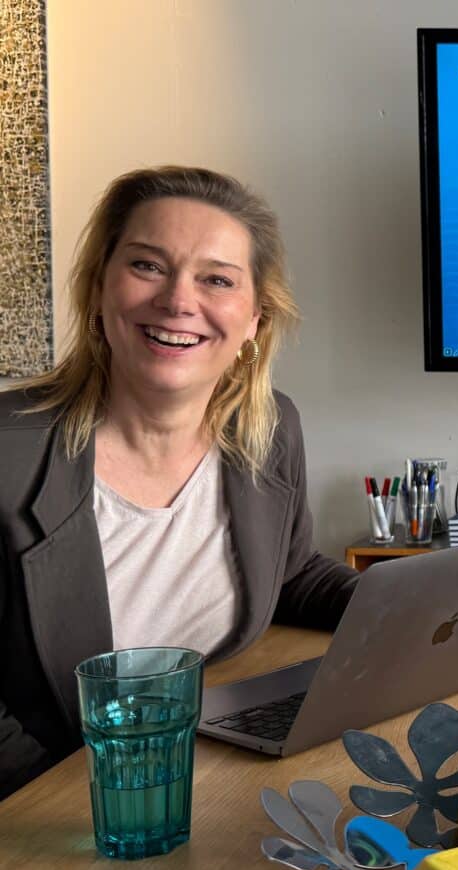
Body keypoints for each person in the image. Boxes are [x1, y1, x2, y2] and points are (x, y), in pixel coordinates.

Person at [0, 166, 360, 799]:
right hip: (51, 807)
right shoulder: (8, 451)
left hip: (207, 776)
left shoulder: (269, 430)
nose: (177, 301)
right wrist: (73, 797)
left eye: (216, 279)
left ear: (254, 320)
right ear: (98, 288)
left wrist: (421, 604)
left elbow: (289, 570)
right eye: (148, 266)